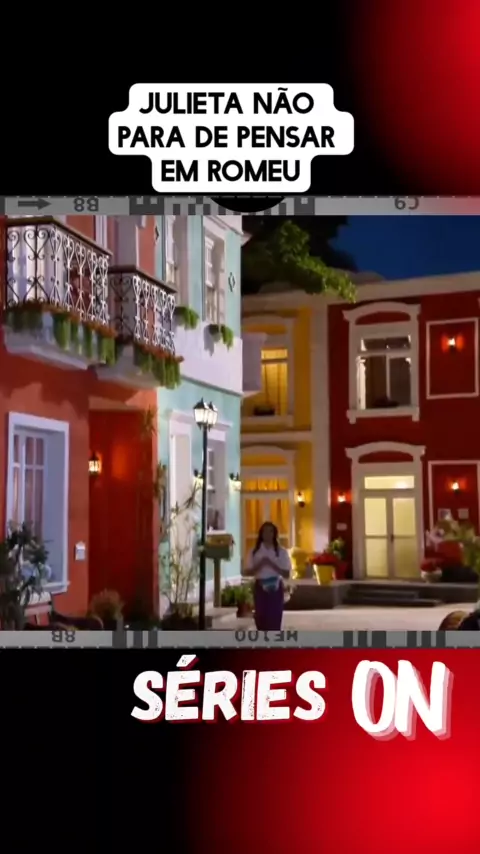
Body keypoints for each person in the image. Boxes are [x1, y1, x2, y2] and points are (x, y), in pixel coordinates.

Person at [243, 522, 292, 631]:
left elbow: (286, 573)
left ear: (274, 534)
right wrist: (260, 564)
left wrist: (272, 564)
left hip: (275, 587)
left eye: (270, 531)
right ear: (261, 534)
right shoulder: (254, 551)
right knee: (261, 618)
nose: (268, 534)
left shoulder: (281, 552)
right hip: (260, 586)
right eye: (265, 531)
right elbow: (247, 572)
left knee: (274, 618)